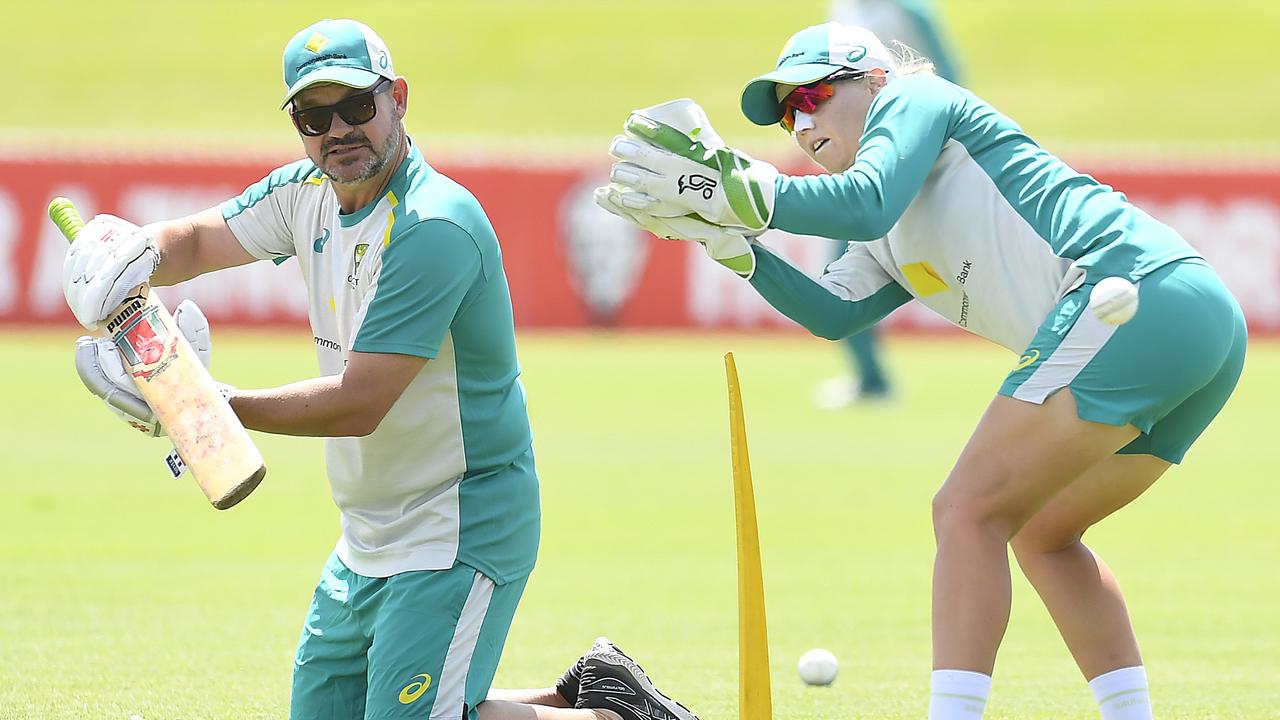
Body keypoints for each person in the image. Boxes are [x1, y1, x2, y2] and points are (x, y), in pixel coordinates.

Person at [597, 21, 1246, 720]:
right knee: (1042, 533)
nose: (801, 122)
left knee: (966, 511)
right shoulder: (870, 216)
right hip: (1190, 323)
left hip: (1133, 291)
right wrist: (728, 243)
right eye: (787, 114)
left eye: (813, 94)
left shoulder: (915, 98)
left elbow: (866, 197)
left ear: (871, 80)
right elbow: (834, 312)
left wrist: (739, 190)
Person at [61, 18, 697, 720]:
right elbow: (199, 240)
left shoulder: (433, 227)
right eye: (313, 115)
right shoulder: (304, 191)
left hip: (459, 522)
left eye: (357, 106)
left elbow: (361, 402)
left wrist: (205, 404)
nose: (337, 130)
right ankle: (596, 694)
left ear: (397, 97)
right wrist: (135, 253)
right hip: (367, 532)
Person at [814, 0, 967, 407]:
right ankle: (870, 378)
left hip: (911, 157)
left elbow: (950, 78)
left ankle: (872, 380)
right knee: (842, 267)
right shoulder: (842, 7)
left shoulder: (910, 10)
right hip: (865, 159)